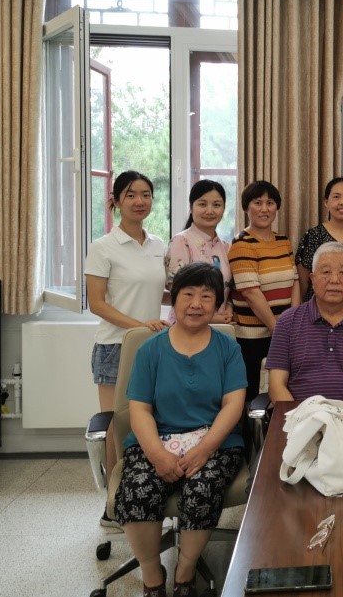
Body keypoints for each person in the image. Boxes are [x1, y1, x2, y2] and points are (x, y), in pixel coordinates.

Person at [114, 263, 247, 597]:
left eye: (206, 296)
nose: (196, 304)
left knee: (203, 489)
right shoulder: (150, 349)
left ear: (217, 304)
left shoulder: (228, 348)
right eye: (188, 294)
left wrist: (204, 450)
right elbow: (140, 409)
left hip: (215, 442)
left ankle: (185, 573)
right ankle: (152, 575)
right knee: (139, 489)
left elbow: (233, 405)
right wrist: (157, 456)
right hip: (156, 440)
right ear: (174, 299)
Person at [84, 170, 167, 519]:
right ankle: (112, 504)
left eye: (146, 194)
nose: (139, 201)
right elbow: (97, 304)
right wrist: (141, 326)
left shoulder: (158, 245)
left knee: (147, 424)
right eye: (131, 195)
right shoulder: (103, 247)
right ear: (116, 201)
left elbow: (159, 292)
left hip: (152, 345)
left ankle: (143, 496)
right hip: (116, 347)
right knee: (116, 428)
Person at [267, 242, 343, 402]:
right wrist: (300, 416)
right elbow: (276, 386)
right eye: (326, 272)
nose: (334, 280)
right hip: (301, 415)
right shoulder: (287, 322)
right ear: (312, 279)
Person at [228, 180, 300, 400]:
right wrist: (279, 329)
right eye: (257, 202)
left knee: (285, 391)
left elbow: (295, 281)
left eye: (270, 203)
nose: (264, 209)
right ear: (246, 207)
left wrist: (292, 322)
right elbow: (250, 292)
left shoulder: (283, 241)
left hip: (285, 332)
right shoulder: (241, 243)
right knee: (256, 397)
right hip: (253, 338)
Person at [164, 179, 233, 325]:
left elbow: (229, 289)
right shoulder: (181, 241)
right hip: (186, 327)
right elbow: (177, 292)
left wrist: (229, 309)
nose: (210, 211)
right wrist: (213, 318)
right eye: (202, 204)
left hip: (220, 327)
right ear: (191, 207)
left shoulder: (226, 247)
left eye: (216, 205)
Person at [295, 177, 343, 304]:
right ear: (326, 202)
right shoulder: (313, 235)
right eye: (336, 197)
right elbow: (303, 283)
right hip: (318, 308)